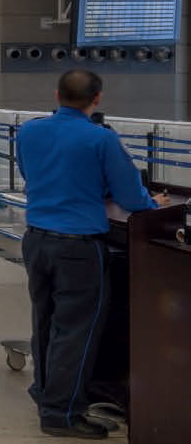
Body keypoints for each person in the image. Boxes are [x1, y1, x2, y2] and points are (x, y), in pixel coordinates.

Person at [16, 69, 165, 439]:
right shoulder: (101, 139)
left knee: (45, 322)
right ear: (97, 99)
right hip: (78, 247)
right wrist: (154, 202)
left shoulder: (29, 131)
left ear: (56, 94)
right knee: (76, 330)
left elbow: (31, 175)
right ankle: (62, 413)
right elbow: (132, 198)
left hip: (36, 240)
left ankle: (46, 392)